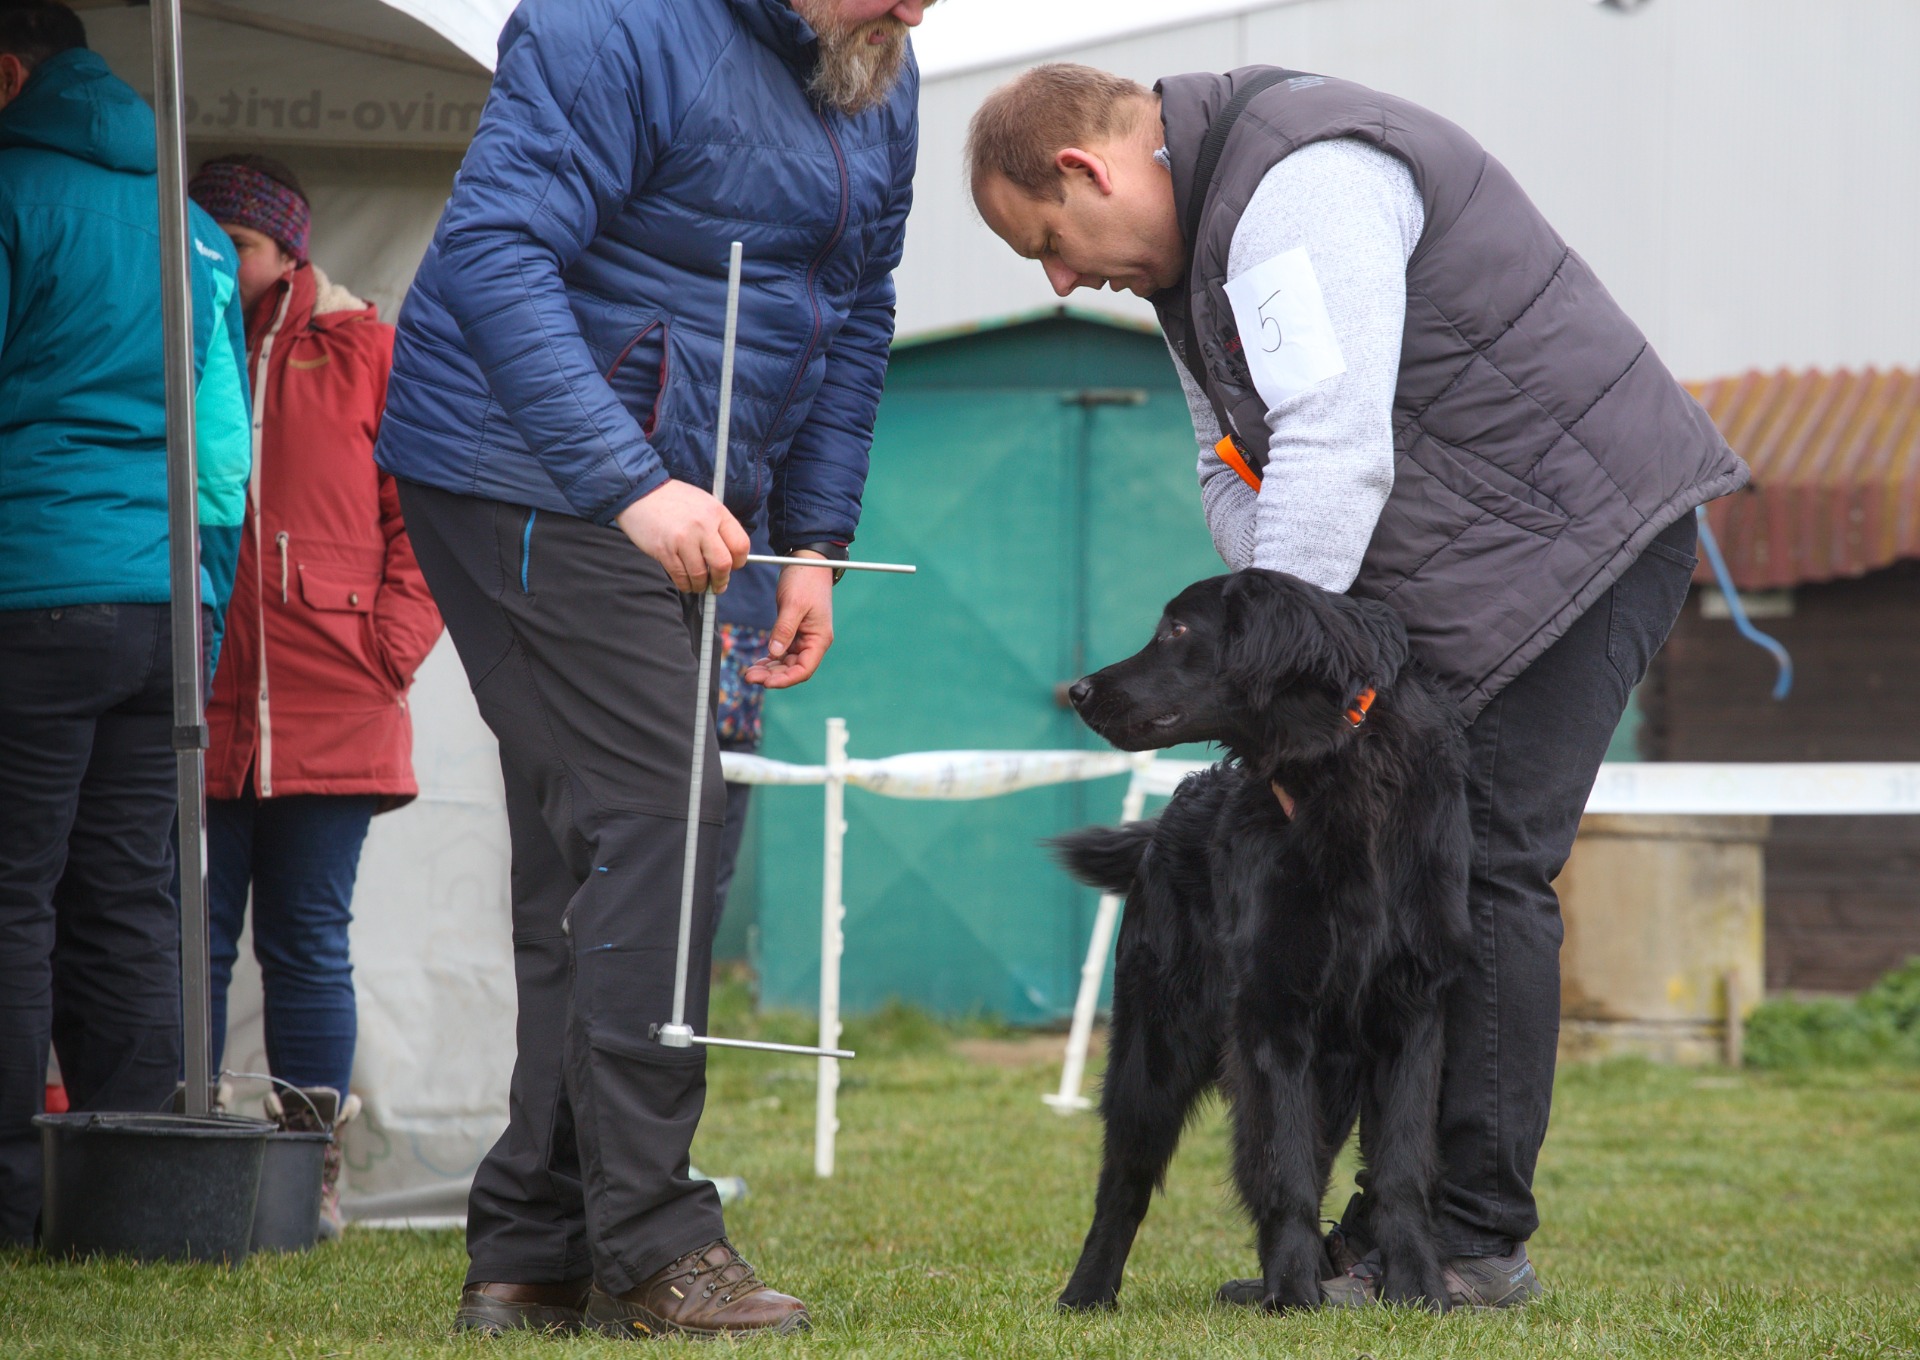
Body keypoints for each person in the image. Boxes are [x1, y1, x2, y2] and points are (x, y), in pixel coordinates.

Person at [966, 63, 1746, 1307]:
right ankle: (1385, 1232)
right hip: (1467, 561)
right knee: (1389, 887)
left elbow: (1331, 449)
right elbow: (1234, 475)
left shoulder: (1299, 187)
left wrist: (1274, 719)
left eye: (1050, 245)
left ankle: (1468, 1239)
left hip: (1572, 544)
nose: (1062, 281)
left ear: (1087, 170)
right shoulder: (1195, 265)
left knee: (1477, 859)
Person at [372, 0, 924, 1337]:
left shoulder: (881, 74)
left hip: (692, 501)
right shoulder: (604, 26)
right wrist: (631, 483)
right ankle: (655, 1239)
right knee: (662, 819)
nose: (912, 12)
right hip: (521, 468)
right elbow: (497, 254)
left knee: (603, 852)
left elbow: (853, 314)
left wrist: (814, 543)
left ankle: (530, 1246)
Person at [0, 0, 251, 1244]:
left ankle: (6, 1203)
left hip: (30, 584)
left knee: (10, 895)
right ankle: (131, 1200)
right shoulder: (197, 229)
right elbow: (224, 460)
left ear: (6, 71)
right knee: (130, 902)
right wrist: (200, 613)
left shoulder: (10, 190)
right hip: (165, 601)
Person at [188, 154, 444, 1240]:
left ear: (287, 245)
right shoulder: (167, 341)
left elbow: (422, 514)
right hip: (196, 697)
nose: (214, 259)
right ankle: (182, 1152)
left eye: (235, 242)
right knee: (185, 939)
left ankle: (308, 1171)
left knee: (305, 938)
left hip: (335, 695)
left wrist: (385, 647)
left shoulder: (369, 350)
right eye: (204, 239)